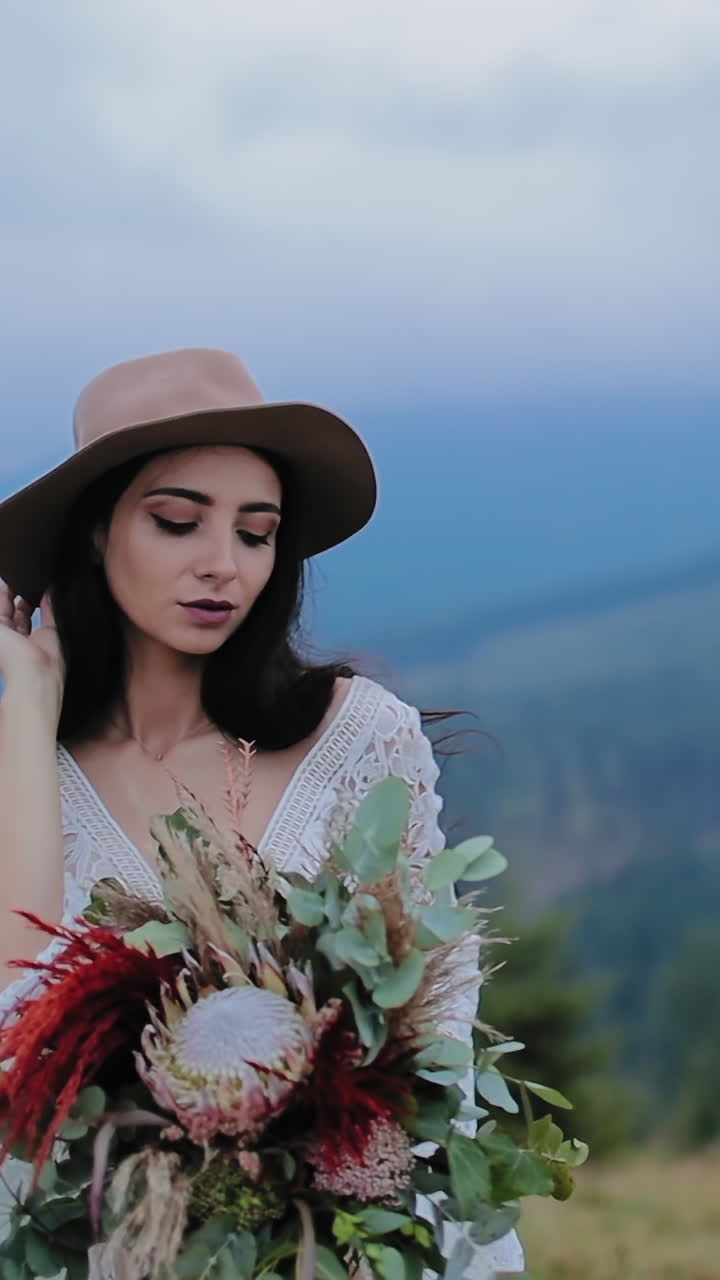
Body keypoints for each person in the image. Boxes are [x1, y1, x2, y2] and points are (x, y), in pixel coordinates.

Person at [0, 347, 524, 1277]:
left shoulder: (360, 740)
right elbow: (15, 1025)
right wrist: (28, 709)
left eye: (256, 533)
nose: (222, 566)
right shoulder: (25, 766)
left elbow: (437, 1035)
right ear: (94, 532)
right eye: (177, 522)